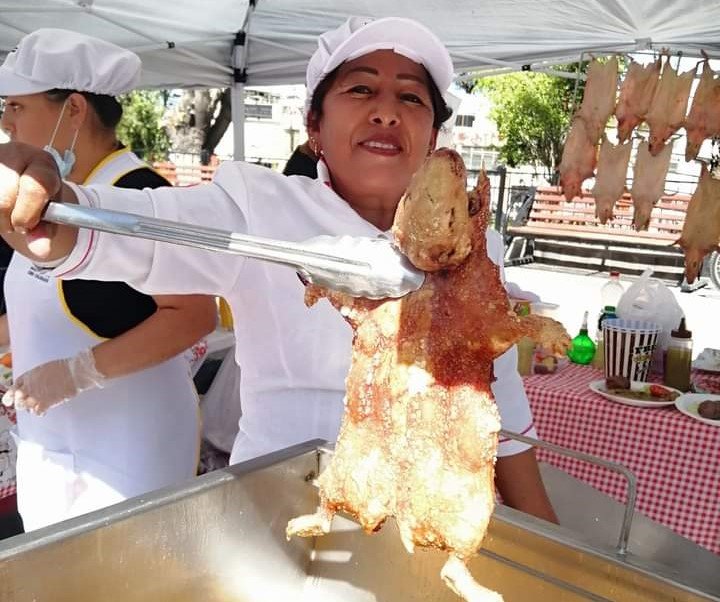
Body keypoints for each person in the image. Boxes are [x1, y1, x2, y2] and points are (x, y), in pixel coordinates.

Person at [0, 17, 556, 522]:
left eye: (412, 98)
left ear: (432, 136)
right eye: (360, 88)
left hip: (419, 515)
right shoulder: (259, 207)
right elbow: (142, 231)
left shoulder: (473, 243)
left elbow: (493, 392)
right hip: (279, 515)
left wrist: (550, 541)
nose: (386, 110)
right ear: (314, 126)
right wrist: (52, 208)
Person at [0, 29, 217, 530]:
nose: (7, 122)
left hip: (130, 439)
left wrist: (77, 373)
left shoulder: (141, 192)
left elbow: (194, 314)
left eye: (17, 106)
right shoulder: (51, 195)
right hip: (52, 439)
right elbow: (37, 302)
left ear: (74, 109)